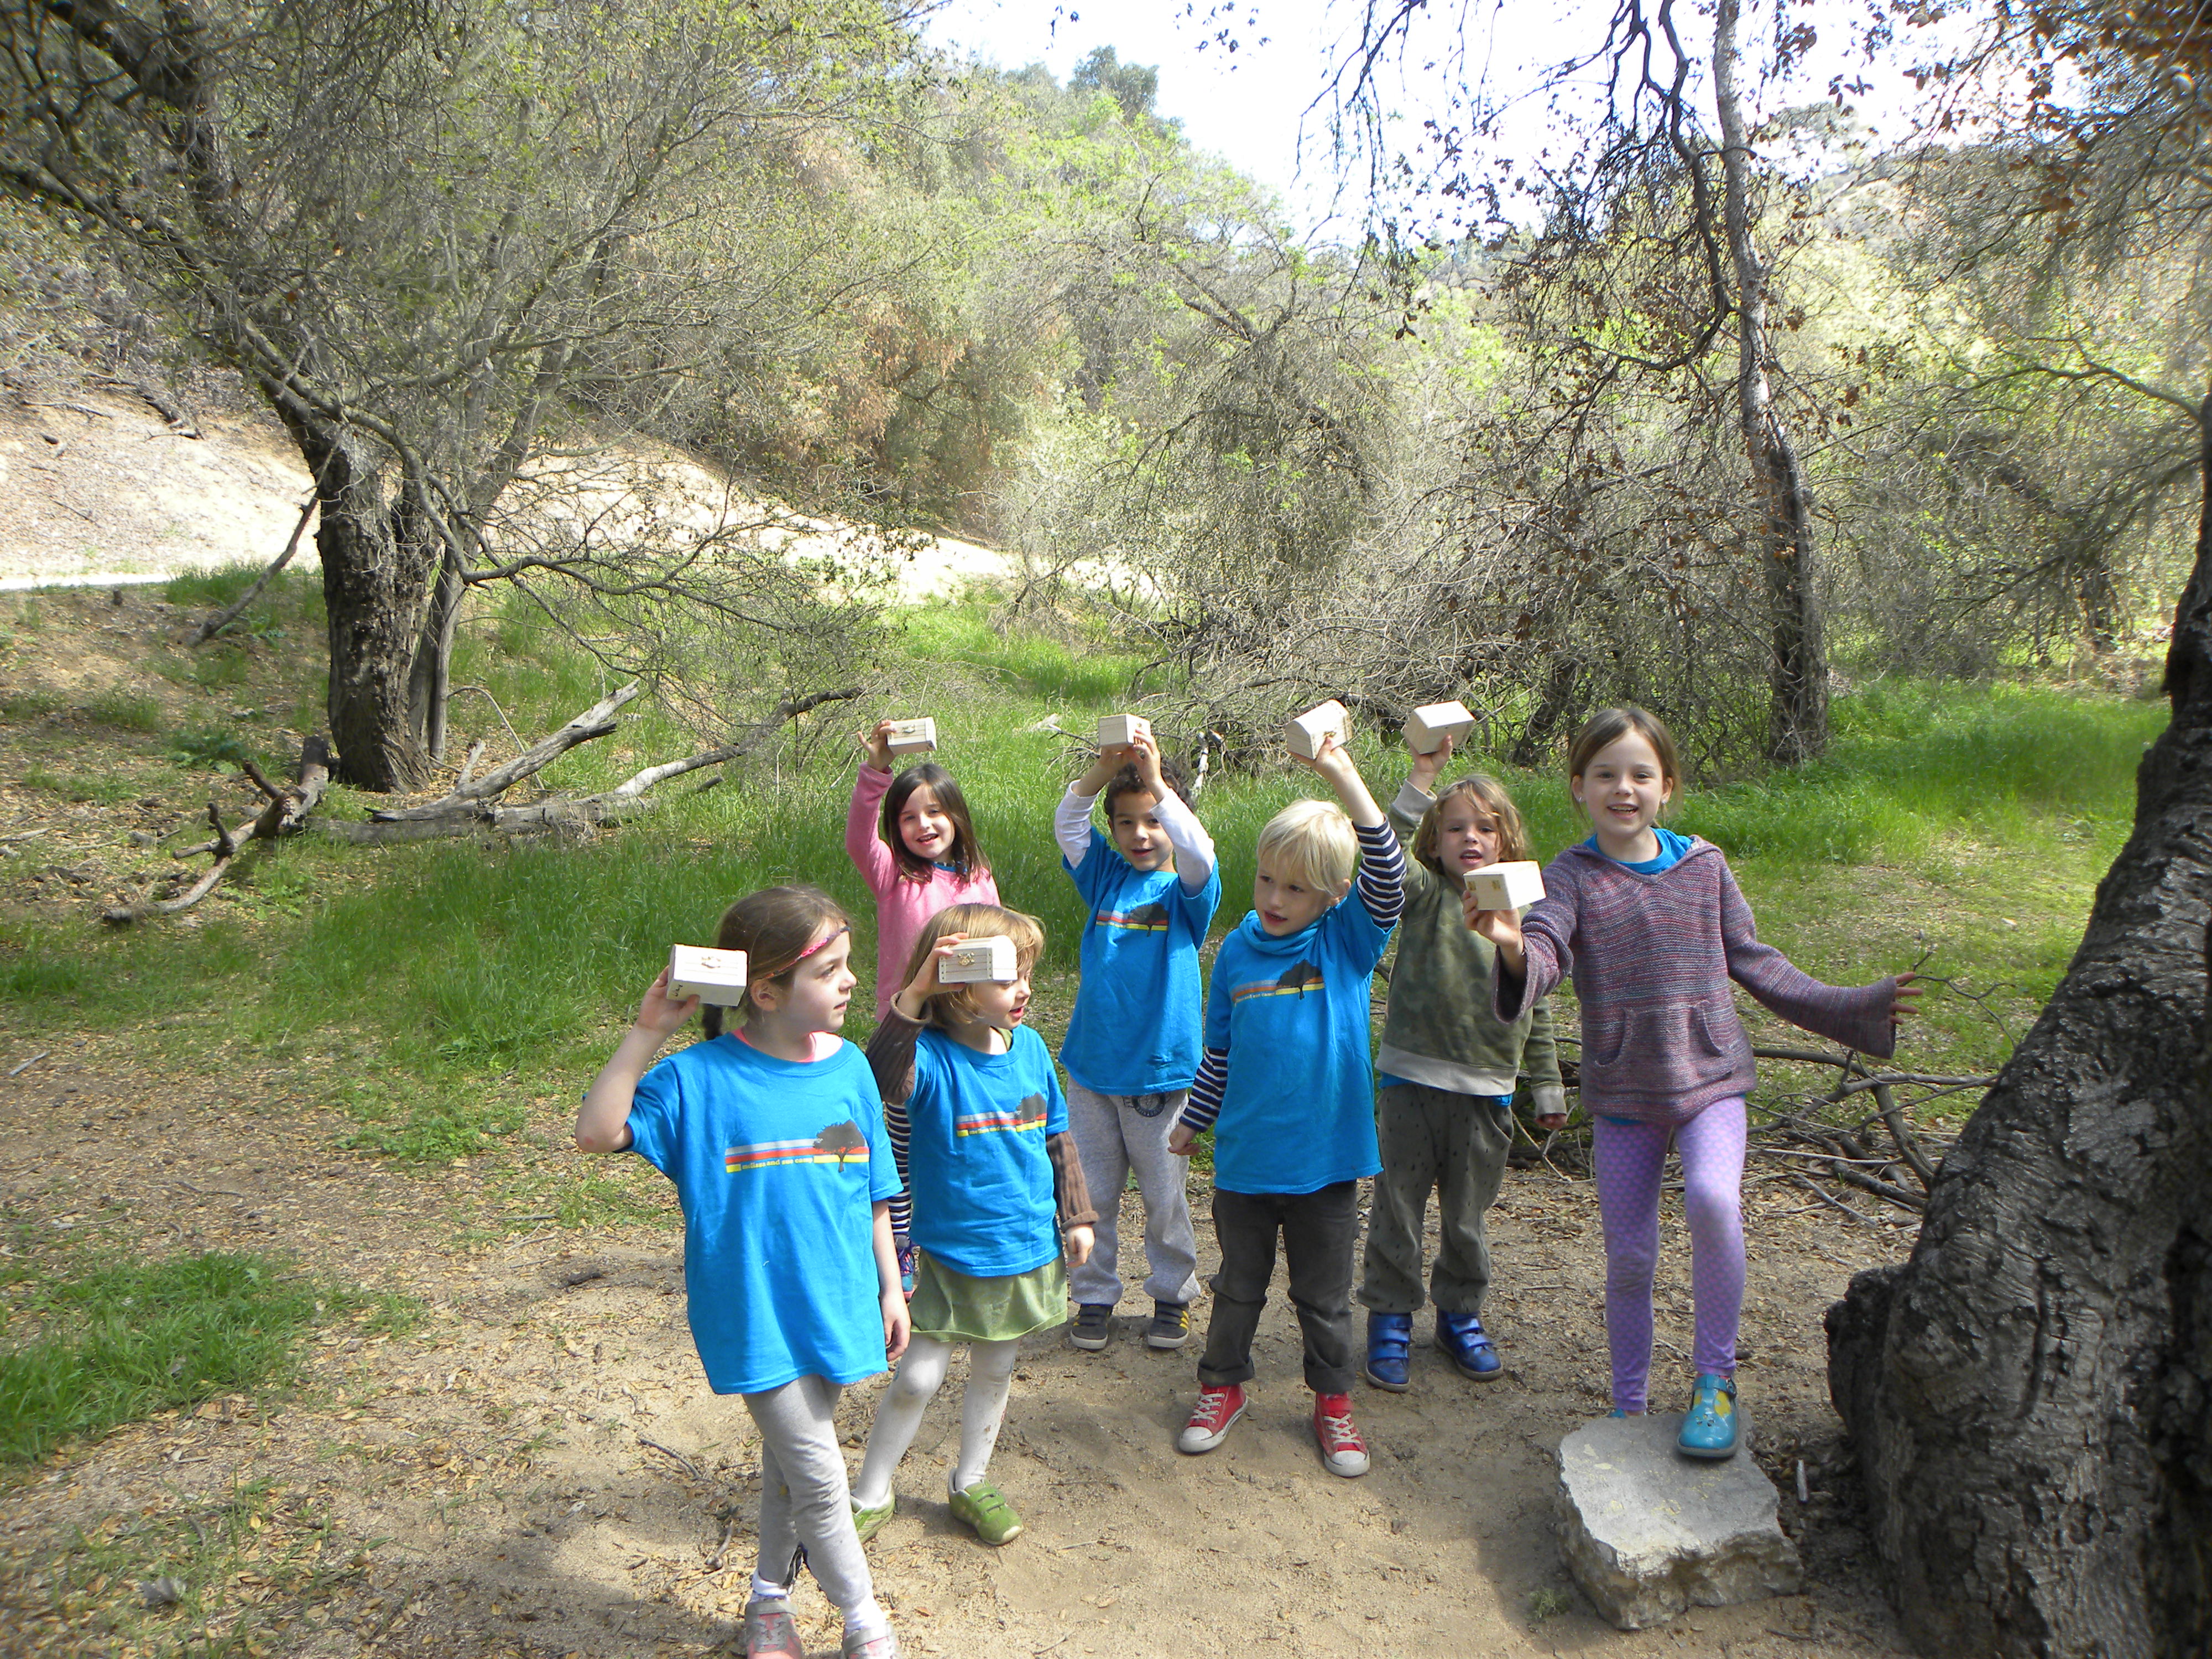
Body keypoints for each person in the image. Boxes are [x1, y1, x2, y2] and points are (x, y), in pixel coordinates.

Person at [1468, 706, 1919, 1459]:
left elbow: (1758, 962)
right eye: (1605, 775)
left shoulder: (1704, 866)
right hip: (1624, 1094)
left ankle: (1715, 1381)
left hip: (1710, 1078)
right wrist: (1512, 946)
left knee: (1712, 1199)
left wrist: (1856, 1005)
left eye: (1640, 774)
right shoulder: (1569, 878)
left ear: (1667, 786)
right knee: (1630, 1258)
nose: (1623, 789)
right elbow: (1543, 956)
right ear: (1578, 787)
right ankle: (1629, 1405)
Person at [574, 886, 906, 1659]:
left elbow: (875, 1190)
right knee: (819, 1473)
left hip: (834, 1300)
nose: (851, 981)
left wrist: (892, 1286)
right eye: (828, 971)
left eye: (848, 964)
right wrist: (648, 1032)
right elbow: (596, 1132)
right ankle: (866, 1623)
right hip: (751, 1310)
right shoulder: (700, 1080)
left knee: (790, 1464)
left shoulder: (851, 1067)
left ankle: (768, 1600)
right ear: (765, 992)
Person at [1167, 733, 1405, 1478]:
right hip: (1246, 1162)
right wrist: (1193, 1120)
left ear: (1333, 896)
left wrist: (1340, 773)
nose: (1273, 899)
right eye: (1266, 880)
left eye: (1295, 889)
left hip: (1325, 1164)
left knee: (1323, 1298)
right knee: (1237, 1287)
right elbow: (1220, 1053)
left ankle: (1332, 1404)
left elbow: (1389, 875)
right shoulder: (1235, 954)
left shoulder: (1345, 945)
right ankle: (1222, 1387)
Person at [849, 904, 1096, 1547]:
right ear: (957, 987)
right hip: (948, 1253)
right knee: (918, 1378)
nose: (1025, 990)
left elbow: (1057, 1135)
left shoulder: (1031, 1048)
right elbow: (880, 1079)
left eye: (1027, 974)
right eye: (1007, 978)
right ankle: (871, 1490)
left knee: (995, 1369)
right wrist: (913, 994)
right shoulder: (930, 1059)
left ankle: (971, 1481)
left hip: (1022, 1246)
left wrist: (1076, 1214)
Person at [1359, 735, 1566, 1391]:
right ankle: (1389, 1316)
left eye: (1484, 828)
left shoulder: (1522, 915)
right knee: (1397, 1208)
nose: (1469, 838)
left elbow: (1537, 1004)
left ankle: (1458, 1316)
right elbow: (1383, 857)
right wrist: (1419, 780)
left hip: (1487, 1092)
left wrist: (1547, 1085)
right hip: (1410, 1081)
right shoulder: (1425, 894)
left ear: (1507, 841)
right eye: (1454, 828)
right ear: (1434, 840)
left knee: (1467, 1217)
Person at [1054, 729, 1221, 1354]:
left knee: (1164, 1197)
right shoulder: (1104, 878)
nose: (1140, 834)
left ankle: (1172, 1294)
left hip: (1159, 1074)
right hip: (1092, 1071)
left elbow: (1199, 852)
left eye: (1153, 820)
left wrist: (1155, 781)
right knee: (1091, 1194)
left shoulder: (1188, 893)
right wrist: (1102, 771)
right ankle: (1093, 1295)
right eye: (1125, 822)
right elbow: (1070, 826)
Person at [847, 719, 1000, 1021]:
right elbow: (858, 839)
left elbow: (1000, 939)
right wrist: (875, 771)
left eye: (934, 812)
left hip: (970, 1014)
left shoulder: (979, 877)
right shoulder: (893, 873)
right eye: (909, 818)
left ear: (956, 816)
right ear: (896, 827)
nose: (924, 825)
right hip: (909, 1014)